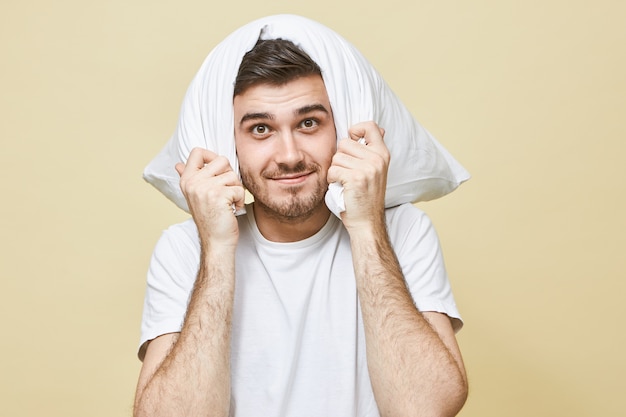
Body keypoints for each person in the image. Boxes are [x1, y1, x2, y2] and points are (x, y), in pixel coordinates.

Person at [134, 18, 468, 417]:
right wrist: (218, 248)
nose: (289, 154)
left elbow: (424, 409)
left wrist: (365, 227)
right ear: (229, 145)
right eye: (261, 129)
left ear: (342, 129)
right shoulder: (186, 247)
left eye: (308, 123)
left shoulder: (402, 231)